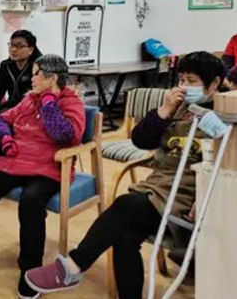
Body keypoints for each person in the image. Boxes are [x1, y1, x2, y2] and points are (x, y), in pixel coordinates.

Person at [23, 51, 226, 299]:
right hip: (159, 188)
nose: (183, 87)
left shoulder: (225, 114)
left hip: (193, 195)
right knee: (124, 236)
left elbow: (230, 166)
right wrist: (164, 110)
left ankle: (73, 267)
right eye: (181, 79)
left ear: (214, 83)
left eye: (191, 81)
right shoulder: (178, 108)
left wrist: (203, 198)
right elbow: (140, 140)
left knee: (125, 205)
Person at [0, 54, 86, 299]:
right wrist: (4, 137)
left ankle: (30, 268)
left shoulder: (71, 103)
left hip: (48, 166)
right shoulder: (29, 100)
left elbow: (66, 136)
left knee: (31, 201)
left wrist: (48, 103)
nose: (31, 79)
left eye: (36, 74)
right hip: (16, 161)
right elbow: (1, 120)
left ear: (52, 78)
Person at [0, 30, 42, 151]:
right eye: (12, 45)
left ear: (31, 49)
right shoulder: (6, 66)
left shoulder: (39, 68)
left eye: (20, 46)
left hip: (31, 111)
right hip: (9, 109)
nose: (14, 49)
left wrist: (4, 113)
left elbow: (33, 97)